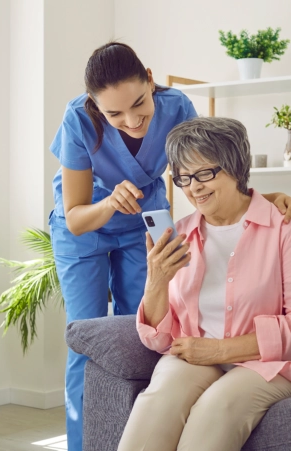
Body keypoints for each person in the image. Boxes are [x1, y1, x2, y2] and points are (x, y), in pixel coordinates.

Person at [48, 42, 291, 451]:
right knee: (89, 336)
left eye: (140, 103)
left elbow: (208, 156)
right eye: (114, 114)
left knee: (153, 332)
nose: (132, 120)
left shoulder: (177, 106)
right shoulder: (77, 119)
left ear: (150, 77)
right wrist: (111, 206)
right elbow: (75, 216)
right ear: (95, 105)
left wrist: (258, 201)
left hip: (147, 218)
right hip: (88, 223)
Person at [118, 117, 291, 451]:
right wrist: (157, 281)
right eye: (183, 177)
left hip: (266, 363)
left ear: (236, 167)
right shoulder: (179, 234)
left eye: (204, 173)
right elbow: (158, 340)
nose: (193, 187)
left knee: (215, 410)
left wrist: (220, 350)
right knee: (157, 401)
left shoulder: (282, 227)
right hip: (193, 356)